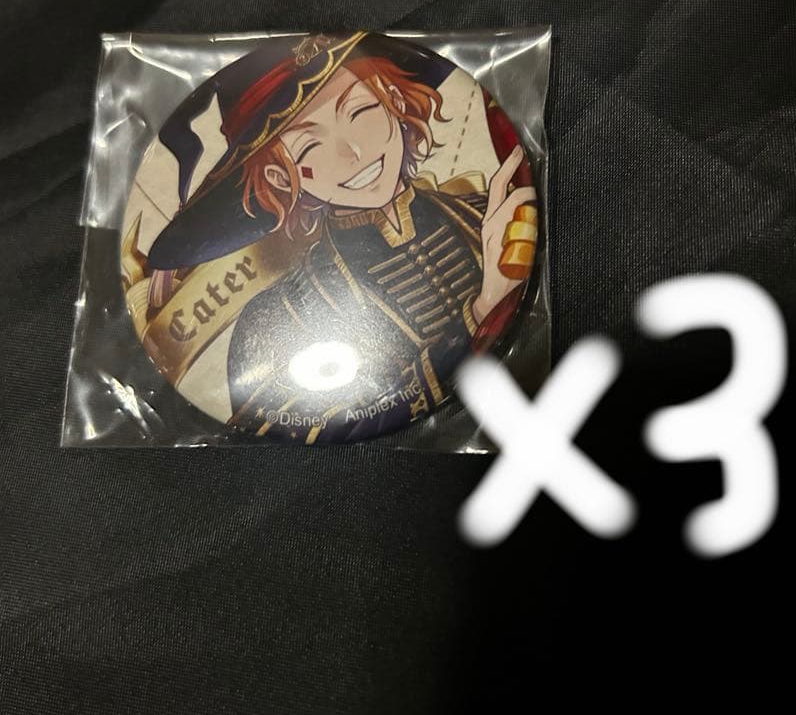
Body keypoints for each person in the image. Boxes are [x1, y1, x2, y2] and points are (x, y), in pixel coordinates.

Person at [147, 32, 536, 442]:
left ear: (393, 100)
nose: (353, 152)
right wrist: (482, 310)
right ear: (281, 178)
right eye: (309, 146)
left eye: (361, 111)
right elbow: (306, 426)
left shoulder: (486, 215)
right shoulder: (273, 320)